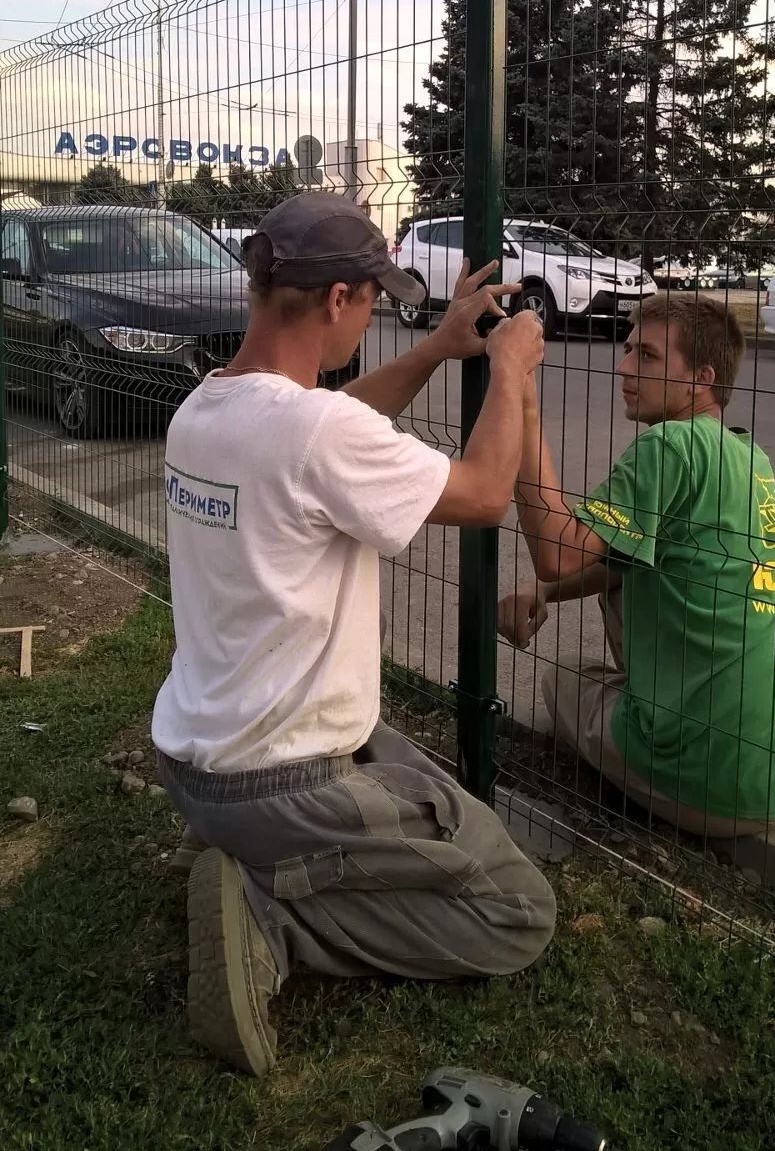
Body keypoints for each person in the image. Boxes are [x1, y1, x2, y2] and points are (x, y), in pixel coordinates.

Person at [152, 193, 556, 1077]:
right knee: (517, 911)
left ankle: (239, 849)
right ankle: (273, 915)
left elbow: (331, 427)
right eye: (371, 300)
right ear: (337, 298)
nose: (373, 316)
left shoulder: (206, 411)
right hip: (279, 782)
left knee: (419, 781)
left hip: (196, 761)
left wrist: (438, 347)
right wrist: (510, 367)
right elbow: (485, 493)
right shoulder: (312, 430)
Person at [498, 292, 775, 839]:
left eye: (647, 356)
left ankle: (670, 753)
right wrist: (545, 593)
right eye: (628, 349)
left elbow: (557, 553)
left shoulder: (668, 446)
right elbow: (621, 557)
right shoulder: (747, 455)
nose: (624, 367)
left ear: (701, 378)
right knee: (634, 568)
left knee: (561, 678)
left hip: (723, 785)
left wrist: (519, 393)